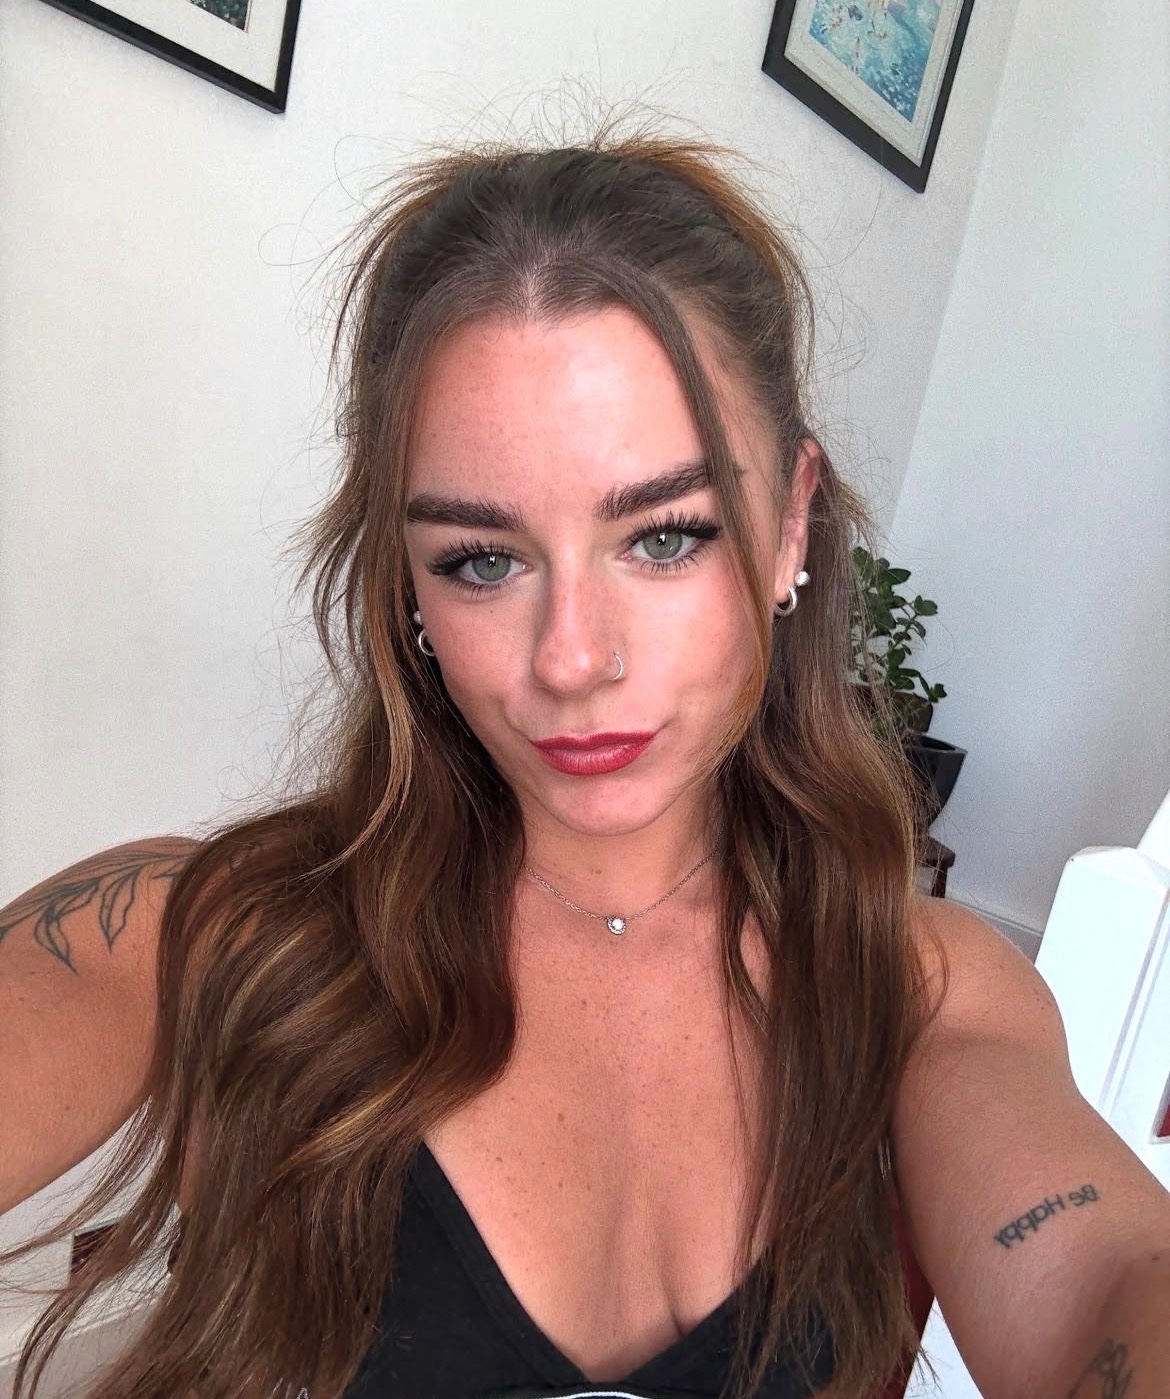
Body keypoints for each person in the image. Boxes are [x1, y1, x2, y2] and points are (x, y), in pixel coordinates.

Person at [2, 123, 1169, 1399]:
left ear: (792, 523)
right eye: (481, 559)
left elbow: (1107, 1281)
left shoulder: (921, 988)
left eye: (665, 537)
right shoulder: (211, 933)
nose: (572, 658)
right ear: (406, 581)